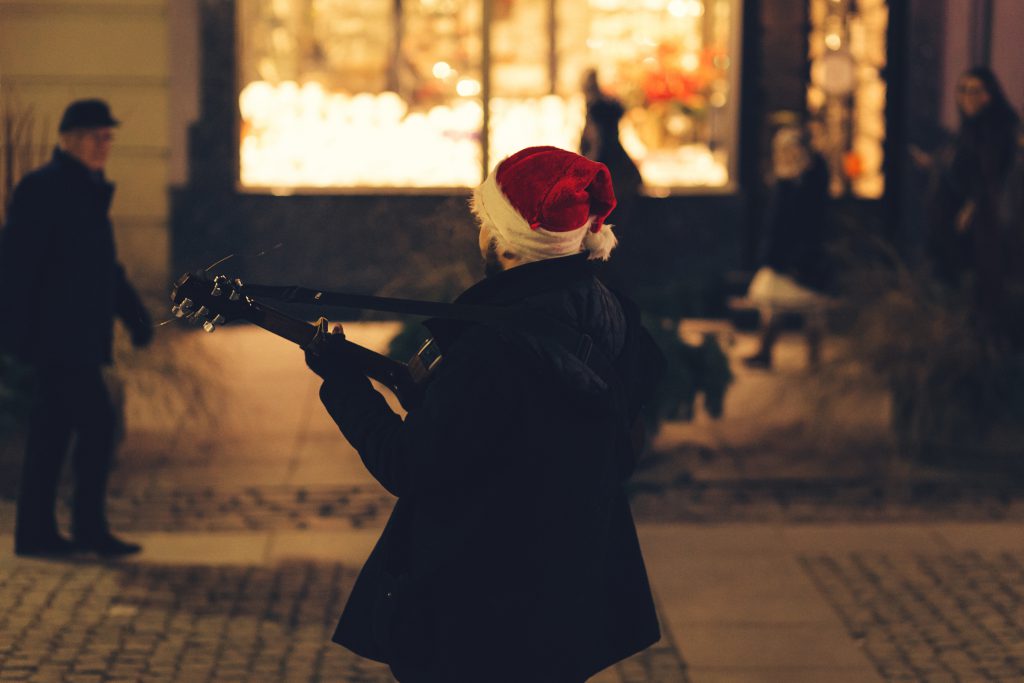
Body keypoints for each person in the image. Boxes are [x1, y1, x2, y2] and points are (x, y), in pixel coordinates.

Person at [305, 146, 663, 681]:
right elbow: (586, 437)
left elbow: (407, 464)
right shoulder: (611, 313)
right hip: (569, 597)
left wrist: (343, 385)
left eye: (482, 218)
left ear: (503, 241)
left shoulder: (493, 346)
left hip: (483, 611)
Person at [0, 99, 153, 557]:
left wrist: (132, 313)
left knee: (54, 432)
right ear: (69, 140)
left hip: (76, 336)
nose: (103, 145)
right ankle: (80, 529)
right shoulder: (45, 188)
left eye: (108, 137)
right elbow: (19, 264)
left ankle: (41, 533)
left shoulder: (84, 187)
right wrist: (18, 336)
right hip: (59, 340)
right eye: (95, 136)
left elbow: (105, 267)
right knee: (97, 424)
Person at [926, 66, 1024, 345]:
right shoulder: (969, 130)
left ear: (988, 96)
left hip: (987, 225)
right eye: (962, 90)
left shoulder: (996, 129)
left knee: (984, 289)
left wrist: (972, 208)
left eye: (974, 91)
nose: (966, 97)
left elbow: (991, 176)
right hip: (963, 220)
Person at [743, 124, 830, 369]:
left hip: (803, 256)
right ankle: (768, 351)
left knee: (810, 307)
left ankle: (812, 358)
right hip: (785, 256)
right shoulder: (789, 178)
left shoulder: (808, 178)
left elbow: (807, 220)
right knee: (775, 307)